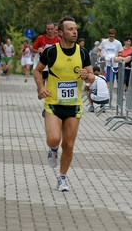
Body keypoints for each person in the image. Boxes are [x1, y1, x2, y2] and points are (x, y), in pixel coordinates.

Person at [34, 16, 94, 192]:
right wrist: (40, 88)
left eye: (75, 29)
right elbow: (37, 71)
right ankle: (53, 149)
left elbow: (91, 76)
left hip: (74, 104)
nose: (74, 32)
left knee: (68, 144)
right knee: (54, 139)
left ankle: (62, 178)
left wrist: (87, 75)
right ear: (60, 33)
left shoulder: (83, 52)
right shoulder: (50, 52)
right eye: (70, 29)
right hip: (53, 103)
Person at [32, 21, 61, 86]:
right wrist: (37, 50)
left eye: (52, 29)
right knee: (41, 86)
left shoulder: (58, 40)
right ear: (46, 29)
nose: (50, 31)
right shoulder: (41, 38)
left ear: (54, 29)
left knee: (50, 86)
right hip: (41, 65)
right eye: (48, 29)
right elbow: (32, 49)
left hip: (51, 65)